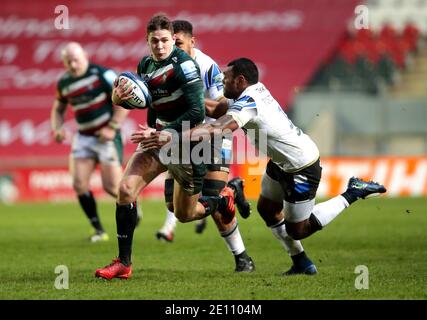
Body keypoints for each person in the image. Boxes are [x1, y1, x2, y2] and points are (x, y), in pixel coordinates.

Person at [138, 57, 387, 275]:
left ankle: (352, 192)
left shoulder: (249, 103)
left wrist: (172, 136)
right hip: (281, 162)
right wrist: (174, 101)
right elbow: (214, 108)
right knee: (267, 209)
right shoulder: (251, 93)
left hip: (301, 166)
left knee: (299, 228)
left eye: (226, 78)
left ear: (240, 80)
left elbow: (217, 126)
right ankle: (301, 262)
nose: (222, 83)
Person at [95, 15, 239, 280]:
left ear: (173, 39)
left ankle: (221, 200)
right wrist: (118, 99)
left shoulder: (185, 67)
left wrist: (166, 134)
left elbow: (197, 113)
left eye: (164, 40)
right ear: (147, 41)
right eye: (154, 41)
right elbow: (143, 99)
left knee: (184, 214)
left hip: (185, 144)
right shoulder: (146, 64)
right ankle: (123, 263)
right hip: (156, 140)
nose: (159, 46)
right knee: (125, 190)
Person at [153, 20, 254, 272]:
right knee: (176, 209)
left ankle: (242, 258)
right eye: (168, 42)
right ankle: (229, 192)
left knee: (212, 200)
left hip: (212, 136)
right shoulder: (162, 67)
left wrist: (193, 99)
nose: (171, 48)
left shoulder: (206, 66)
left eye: (177, 43)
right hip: (180, 139)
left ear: (191, 42)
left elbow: (222, 106)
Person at [51, 42, 130, 242]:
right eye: (68, 62)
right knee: (79, 184)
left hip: (106, 137)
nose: (73, 65)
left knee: (112, 188)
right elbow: (58, 109)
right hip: (84, 137)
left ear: (85, 56)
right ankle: (98, 230)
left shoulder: (102, 74)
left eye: (76, 60)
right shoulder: (64, 82)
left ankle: (133, 207)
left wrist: (112, 127)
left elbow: (125, 100)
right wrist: (57, 128)